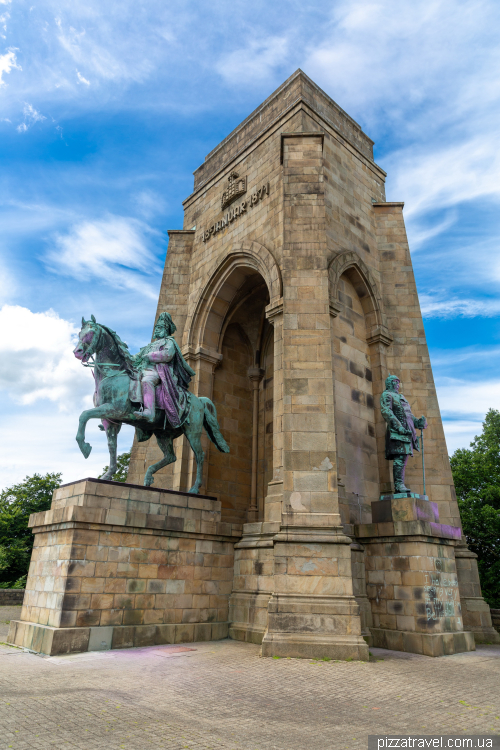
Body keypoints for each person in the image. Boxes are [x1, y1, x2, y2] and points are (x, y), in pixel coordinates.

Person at [133, 312, 195, 425]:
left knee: (147, 380)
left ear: (166, 329)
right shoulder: (149, 345)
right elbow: (136, 357)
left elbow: (167, 355)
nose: (156, 330)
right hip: (143, 370)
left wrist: (150, 356)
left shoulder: (170, 342)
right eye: (156, 327)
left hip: (157, 371)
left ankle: (149, 411)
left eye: (160, 327)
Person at [380, 374, 427, 493]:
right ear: (389, 383)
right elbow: (386, 411)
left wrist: (418, 422)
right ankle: (399, 485)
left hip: (407, 432)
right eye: (395, 382)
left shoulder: (401, 397)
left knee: (403, 458)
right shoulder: (387, 395)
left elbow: (408, 415)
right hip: (397, 432)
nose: (397, 384)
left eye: (398, 382)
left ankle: (400, 485)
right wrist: (399, 427)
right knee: (400, 458)